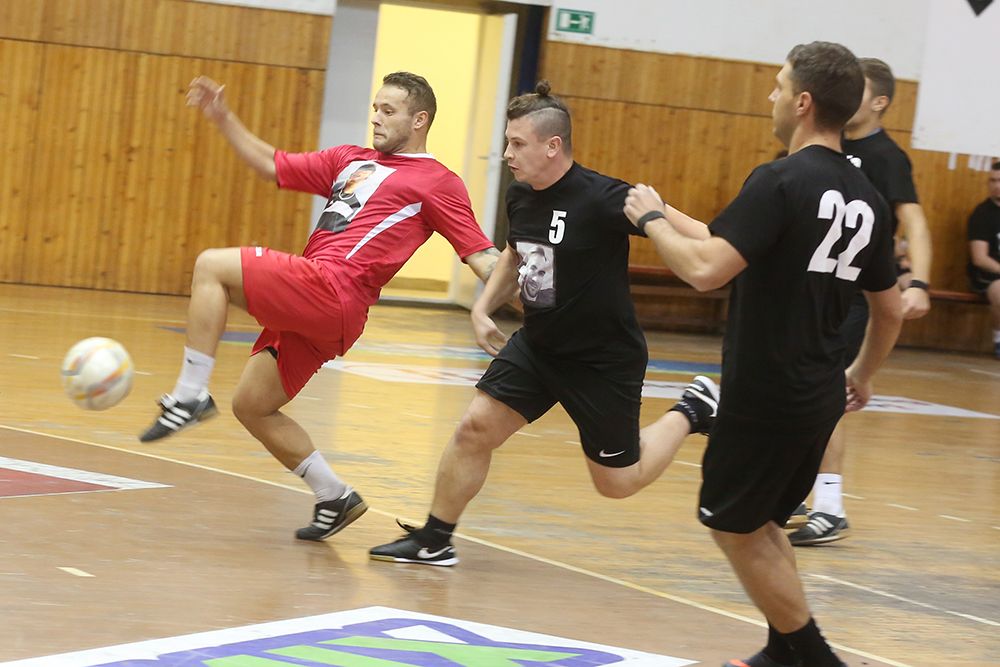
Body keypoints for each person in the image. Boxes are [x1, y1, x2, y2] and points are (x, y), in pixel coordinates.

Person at [623, 42, 902, 667]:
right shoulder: (866, 196)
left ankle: (815, 658)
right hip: (818, 394)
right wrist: (862, 374)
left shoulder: (780, 179)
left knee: (731, 523)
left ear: (802, 102)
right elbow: (887, 310)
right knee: (764, 523)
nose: (770, 97)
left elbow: (705, 270)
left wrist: (650, 223)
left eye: (778, 87)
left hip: (765, 393)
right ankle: (783, 652)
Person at [368, 81, 720, 567]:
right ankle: (435, 538)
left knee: (618, 483)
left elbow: (701, 233)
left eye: (518, 144)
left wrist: (717, 246)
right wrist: (482, 307)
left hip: (601, 360)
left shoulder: (604, 196)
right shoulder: (520, 196)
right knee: (474, 428)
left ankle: (693, 408)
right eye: (507, 142)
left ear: (553, 146)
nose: (507, 154)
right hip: (538, 347)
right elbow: (515, 254)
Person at [139, 72, 501, 542]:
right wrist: (223, 118)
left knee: (211, 265)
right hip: (320, 304)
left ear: (419, 120)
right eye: (375, 108)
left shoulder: (438, 182)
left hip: (334, 290)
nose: (376, 118)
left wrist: (532, 289)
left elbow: (482, 257)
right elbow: (273, 164)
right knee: (253, 406)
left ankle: (189, 394)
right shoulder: (349, 159)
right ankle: (334, 495)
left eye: (388, 111)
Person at [787, 57, 933, 546]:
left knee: (828, 390)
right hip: (813, 288)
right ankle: (796, 491)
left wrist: (920, 283)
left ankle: (830, 506)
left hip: (855, 294)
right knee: (801, 389)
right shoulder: (825, 145)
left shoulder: (887, 157)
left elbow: (914, 222)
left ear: (879, 102)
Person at [967, 160, 1000, 359]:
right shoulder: (982, 214)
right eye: (992, 180)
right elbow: (979, 258)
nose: (996, 185)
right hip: (988, 276)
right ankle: (999, 339)